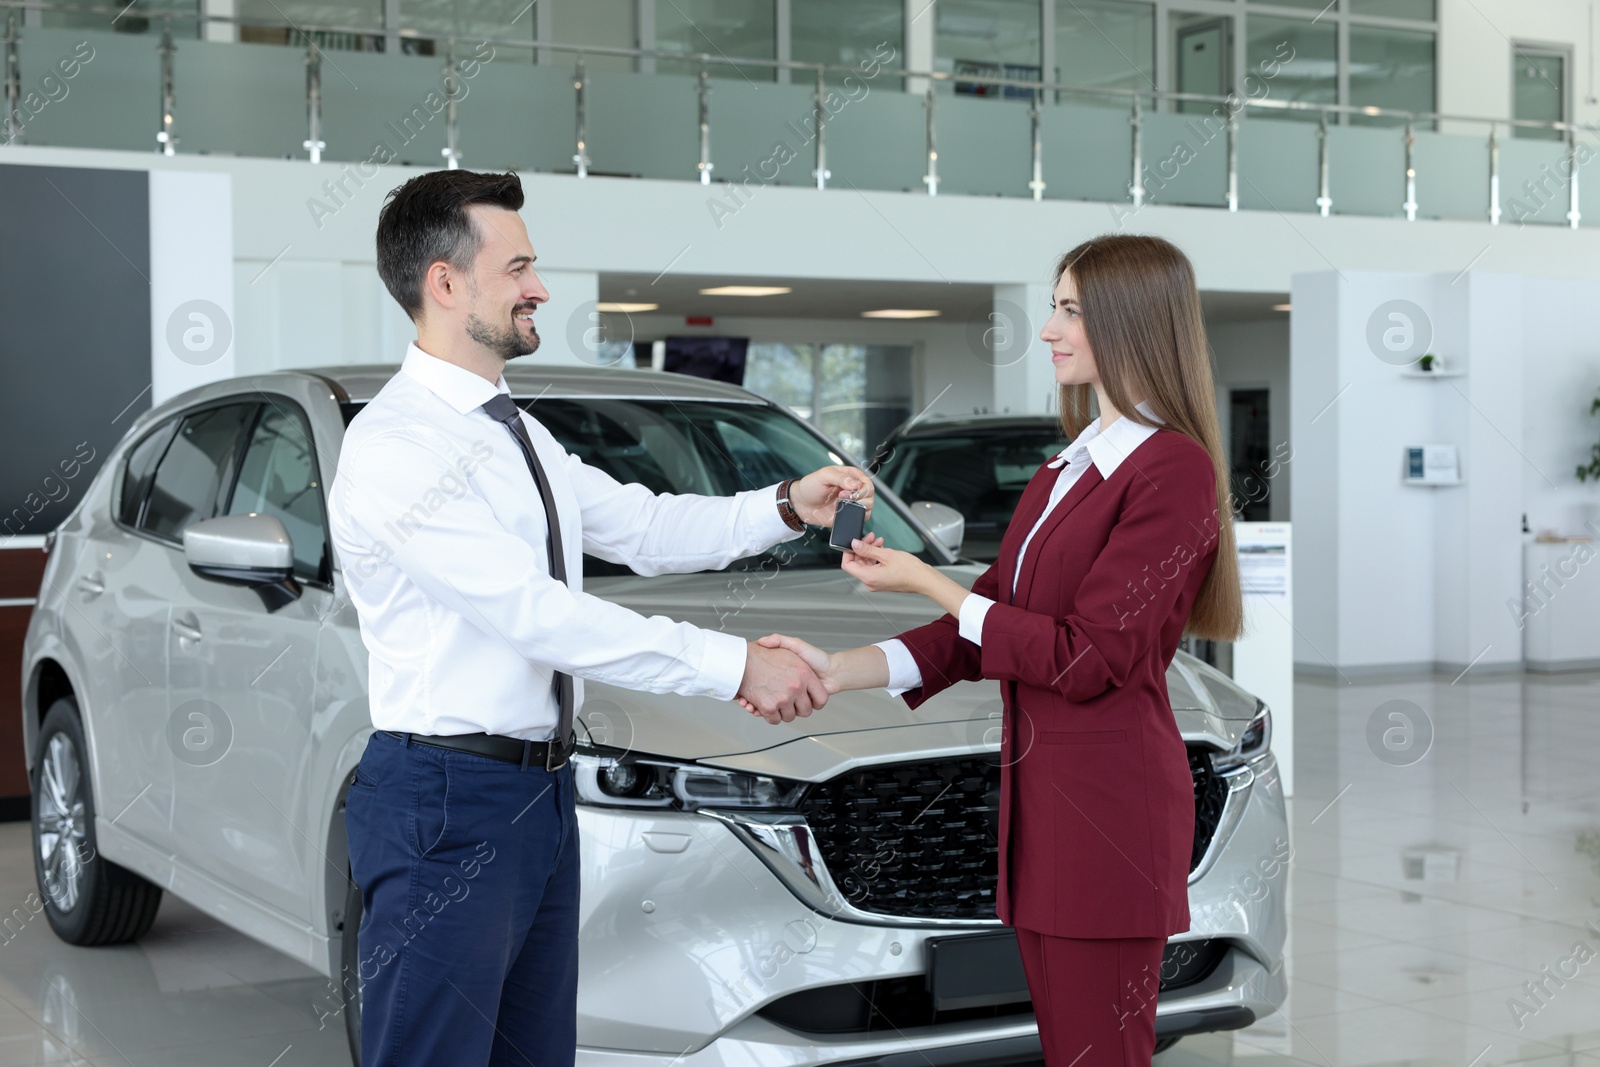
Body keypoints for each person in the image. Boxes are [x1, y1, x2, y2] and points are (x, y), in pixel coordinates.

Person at [327, 169, 874, 1067]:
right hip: (445, 800)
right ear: (446, 282)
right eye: (520, 268)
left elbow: (645, 524)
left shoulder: (517, 433)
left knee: (535, 1055)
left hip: (538, 795)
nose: (539, 288)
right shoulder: (398, 446)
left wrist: (785, 503)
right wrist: (733, 665)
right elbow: (534, 615)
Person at [742, 234, 1244, 1067]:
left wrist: (929, 580)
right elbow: (979, 633)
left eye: (1070, 310)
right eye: (1055, 306)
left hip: (1111, 824)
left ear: (1130, 322)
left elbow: (1086, 658)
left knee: (1100, 1056)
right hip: (1043, 821)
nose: (1048, 329)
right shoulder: (1064, 471)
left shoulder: (1172, 471)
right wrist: (839, 671)